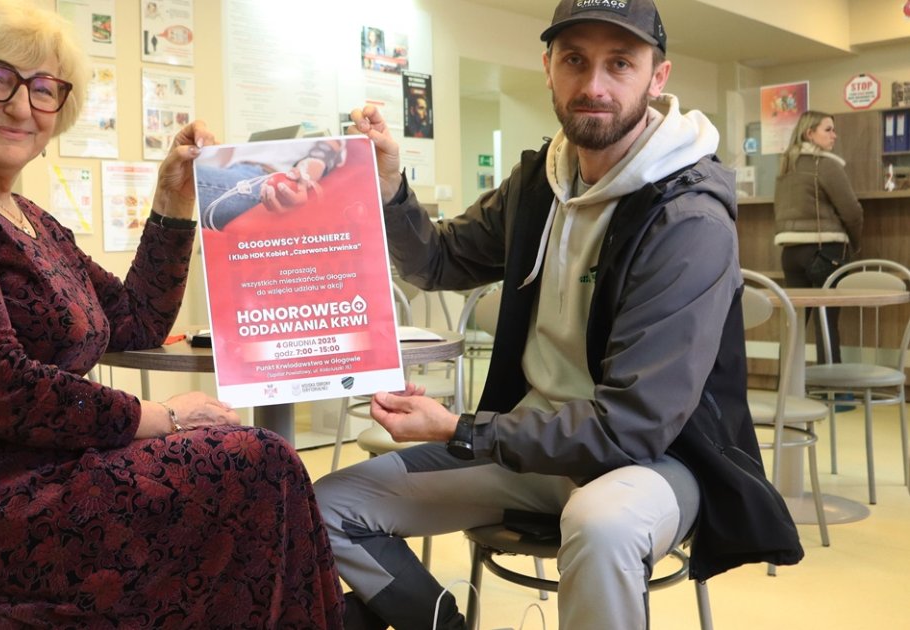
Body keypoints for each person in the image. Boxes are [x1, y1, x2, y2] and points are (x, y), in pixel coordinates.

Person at [0, 1, 343, 627]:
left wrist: (172, 198)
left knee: (260, 466)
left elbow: (134, 321)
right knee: (257, 465)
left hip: (45, 472)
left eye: (43, 88)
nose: (21, 107)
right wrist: (161, 417)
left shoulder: (33, 221)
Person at [316, 1, 803, 628]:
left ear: (657, 78)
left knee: (600, 525)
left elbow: (633, 427)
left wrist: (459, 428)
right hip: (532, 449)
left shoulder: (688, 218)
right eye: (575, 60)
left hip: (656, 463)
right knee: (323, 506)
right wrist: (387, 184)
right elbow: (438, 261)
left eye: (619, 63)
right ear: (548, 68)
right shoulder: (541, 182)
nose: (594, 85)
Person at [773, 111, 863, 365]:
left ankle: (787, 385)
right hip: (825, 251)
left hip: (791, 253)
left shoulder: (786, 165)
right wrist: (855, 244)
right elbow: (852, 211)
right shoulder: (825, 164)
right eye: (828, 129)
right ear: (809, 133)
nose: (835, 135)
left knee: (794, 324)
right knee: (826, 323)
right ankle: (831, 385)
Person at [196, 139, 345, 231]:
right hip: (232, 171)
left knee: (187, 180)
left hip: (271, 179)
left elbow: (324, 151)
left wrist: (303, 177)